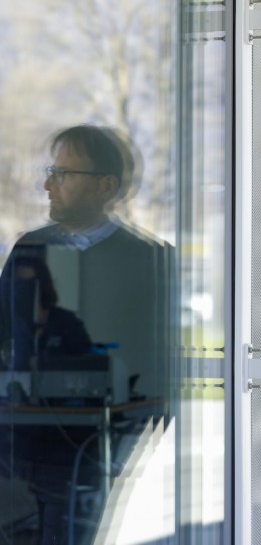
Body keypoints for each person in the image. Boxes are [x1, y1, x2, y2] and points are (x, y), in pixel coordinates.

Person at [0, 124, 169, 544]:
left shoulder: (147, 260)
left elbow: (157, 367)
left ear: (105, 186)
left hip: (93, 450)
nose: (47, 184)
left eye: (62, 173)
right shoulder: (30, 249)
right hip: (17, 447)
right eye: (49, 171)